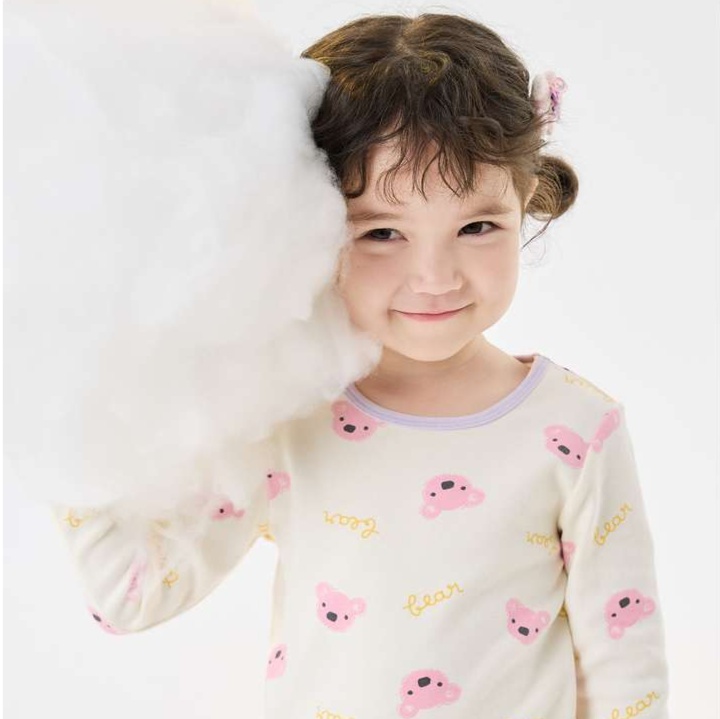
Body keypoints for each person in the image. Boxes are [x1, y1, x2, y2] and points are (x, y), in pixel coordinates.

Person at [50, 12, 669, 718]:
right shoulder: (286, 410)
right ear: (304, 226)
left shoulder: (578, 430)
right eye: (381, 232)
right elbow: (130, 596)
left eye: (477, 226)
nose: (435, 277)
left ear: (525, 202)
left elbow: (625, 671)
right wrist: (64, 381)